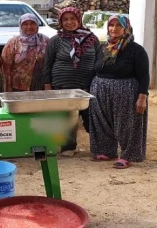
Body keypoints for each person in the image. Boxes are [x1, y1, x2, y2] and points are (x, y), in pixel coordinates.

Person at [89, 15, 149, 169]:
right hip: (100, 90)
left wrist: (142, 97)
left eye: (118, 25)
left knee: (126, 124)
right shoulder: (103, 48)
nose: (114, 29)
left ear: (126, 28)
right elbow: (94, 69)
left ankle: (127, 155)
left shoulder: (136, 50)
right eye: (111, 25)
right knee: (102, 123)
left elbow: (144, 75)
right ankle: (106, 151)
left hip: (126, 91)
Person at [42, 7, 100, 153]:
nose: (69, 22)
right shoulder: (56, 40)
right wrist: (47, 85)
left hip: (87, 86)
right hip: (62, 86)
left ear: (79, 20)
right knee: (66, 118)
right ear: (60, 22)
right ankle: (68, 147)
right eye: (65, 19)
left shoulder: (92, 39)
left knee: (92, 117)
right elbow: (47, 64)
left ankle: (100, 146)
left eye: (73, 19)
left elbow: (99, 62)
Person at [2, 13, 50, 92]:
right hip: (18, 86)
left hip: (40, 84)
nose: (29, 27)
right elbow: (6, 67)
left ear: (37, 25)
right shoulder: (13, 43)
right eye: (25, 24)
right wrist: (8, 86)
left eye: (32, 23)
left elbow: (50, 63)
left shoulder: (45, 40)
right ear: (20, 25)